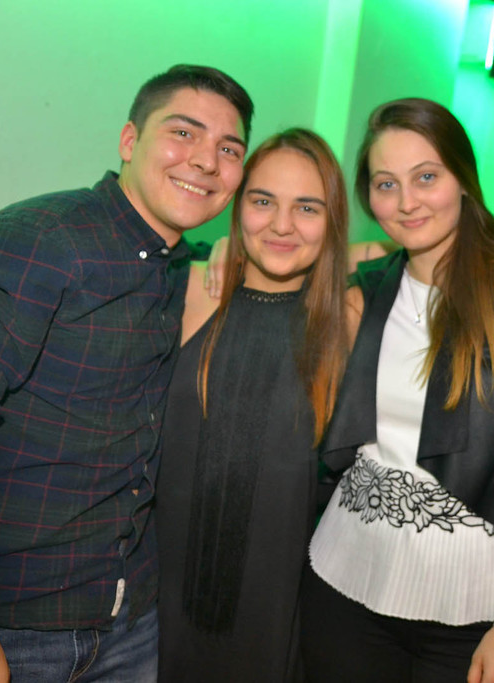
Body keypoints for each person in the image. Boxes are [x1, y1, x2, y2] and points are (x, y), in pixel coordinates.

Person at [0, 64, 253, 683]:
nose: (206, 160)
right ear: (129, 140)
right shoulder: (38, 239)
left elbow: (302, 253)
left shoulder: (176, 266)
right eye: (183, 132)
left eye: (229, 148)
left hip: (127, 625)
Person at [301, 98, 494, 683]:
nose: (407, 201)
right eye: (387, 184)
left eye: (426, 177)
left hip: (473, 611)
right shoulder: (369, 286)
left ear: (462, 178)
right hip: (341, 582)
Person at [156, 128, 350, 682]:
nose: (282, 225)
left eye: (307, 208)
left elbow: (418, 247)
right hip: (156, 609)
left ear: (333, 220)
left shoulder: (348, 322)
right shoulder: (192, 291)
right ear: (237, 207)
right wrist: (223, 247)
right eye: (263, 201)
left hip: (277, 618)